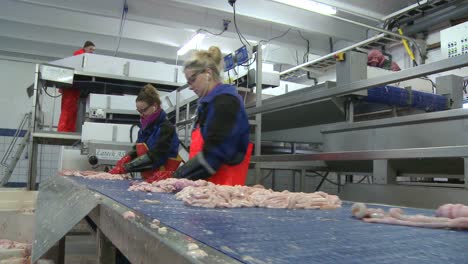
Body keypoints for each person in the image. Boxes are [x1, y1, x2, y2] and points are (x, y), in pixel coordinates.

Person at [172, 46, 253, 186]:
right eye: (188, 82)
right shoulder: (207, 105)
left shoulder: (225, 103)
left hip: (222, 189)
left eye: (192, 79)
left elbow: (214, 154)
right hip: (204, 187)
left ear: (208, 73)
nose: (190, 86)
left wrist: (177, 177)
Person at [109, 84, 182, 183]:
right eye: (139, 111)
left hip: (163, 179)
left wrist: (126, 168)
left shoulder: (166, 128)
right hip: (148, 179)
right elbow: (137, 150)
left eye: (144, 110)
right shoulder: (143, 129)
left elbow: (156, 157)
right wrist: (126, 158)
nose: (142, 114)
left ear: (155, 106)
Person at [57, 41, 96, 132]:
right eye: (90, 49)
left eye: (93, 50)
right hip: (70, 88)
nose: (92, 52)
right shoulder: (79, 55)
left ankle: (69, 129)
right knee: (68, 109)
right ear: (85, 48)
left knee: (73, 110)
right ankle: (63, 129)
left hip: (74, 88)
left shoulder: (84, 57)